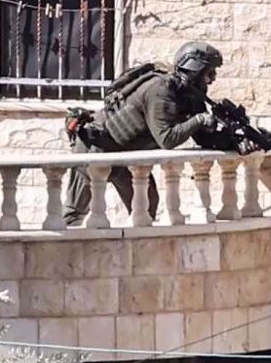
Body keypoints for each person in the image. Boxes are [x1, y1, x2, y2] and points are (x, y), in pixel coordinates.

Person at [63, 41, 255, 226]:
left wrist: (234, 140)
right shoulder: (160, 89)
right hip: (95, 148)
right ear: (195, 70)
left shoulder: (190, 94)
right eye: (209, 73)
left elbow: (205, 139)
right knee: (73, 215)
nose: (212, 79)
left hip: (124, 156)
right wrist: (199, 120)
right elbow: (167, 139)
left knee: (146, 209)